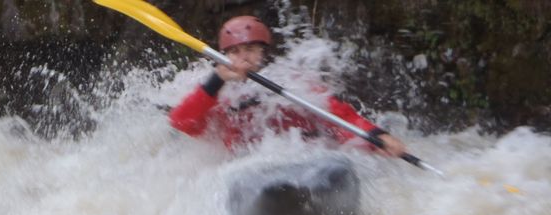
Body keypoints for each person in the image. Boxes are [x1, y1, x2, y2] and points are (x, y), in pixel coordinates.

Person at [169, 15, 407, 156]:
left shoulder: (294, 82)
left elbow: (339, 117)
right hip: (247, 168)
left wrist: (378, 138)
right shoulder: (221, 95)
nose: (243, 58)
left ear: (263, 52)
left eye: (250, 49)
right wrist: (216, 80)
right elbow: (182, 122)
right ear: (225, 56)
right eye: (234, 52)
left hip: (306, 158)